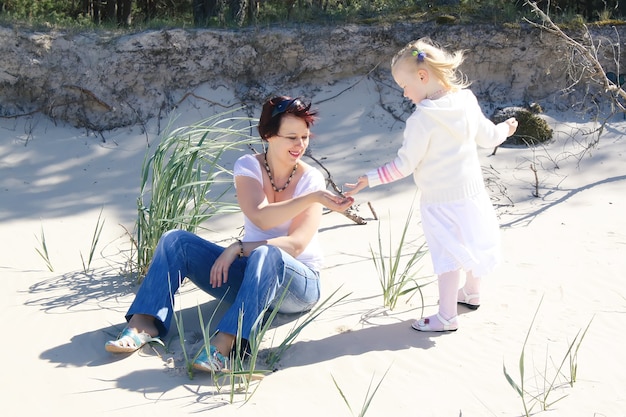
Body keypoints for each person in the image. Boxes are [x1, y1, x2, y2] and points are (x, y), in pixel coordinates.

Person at [105, 96, 354, 371]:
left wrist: (239, 248)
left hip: (297, 286)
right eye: (292, 136)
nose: (300, 145)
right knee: (175, 241)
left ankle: (226, 344)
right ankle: (144, 322)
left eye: (305, 136)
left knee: (267, 253)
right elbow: (259, 213)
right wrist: (309, 201)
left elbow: (295, 245)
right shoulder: (248, 167)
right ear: (269, 135)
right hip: (253, 276)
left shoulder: (311, 180)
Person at [344, 38, 518, 332]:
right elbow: (489, 137)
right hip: (473, 193)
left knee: (447, 255)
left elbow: (404, 165)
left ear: (423, 77)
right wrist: (507, 128)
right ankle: (472, 294)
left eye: (404, 85)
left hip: (439, 201)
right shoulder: (465, 100)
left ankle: (447, 316)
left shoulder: (421, 120)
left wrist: (369, 179)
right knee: (475, 242)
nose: (404, 92)